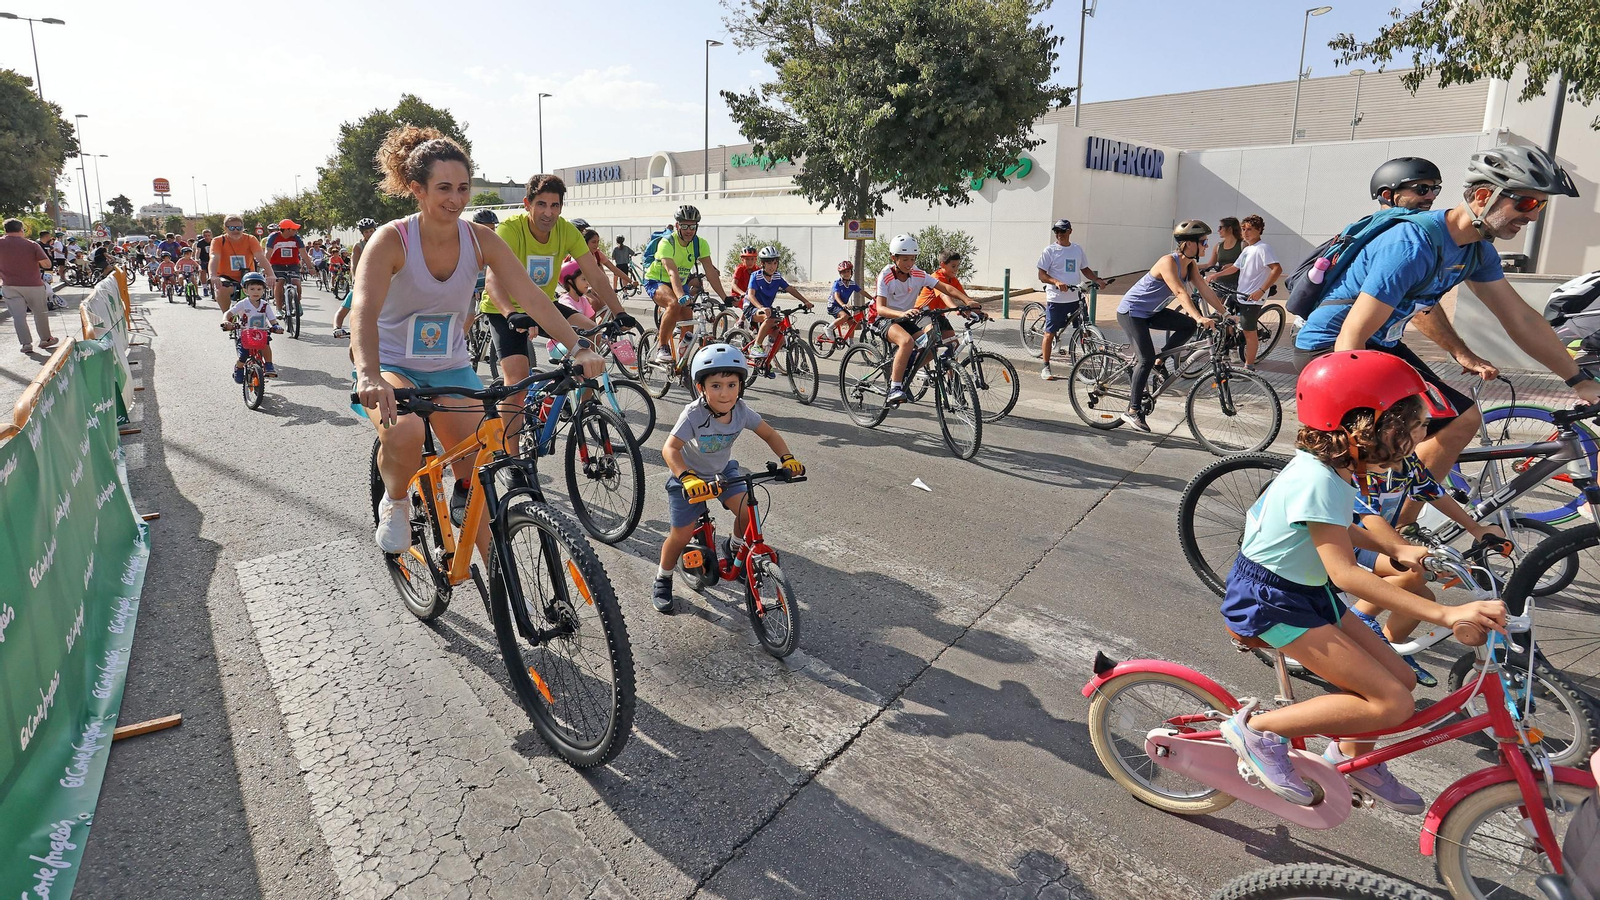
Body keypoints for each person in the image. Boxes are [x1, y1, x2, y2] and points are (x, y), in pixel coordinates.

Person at [1218, 350, 1505, 809]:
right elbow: (1345, 574)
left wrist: (1394, 547)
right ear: (1364, 426)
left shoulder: (1331, 470)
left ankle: (1350, 757)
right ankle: (1256, 732)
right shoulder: (1319, 479)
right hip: (1273, 601)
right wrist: (1445, 613)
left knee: (1400, 683)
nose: (1421, 435)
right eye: (1412, 426)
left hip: (1304, 592)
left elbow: (1327, 525)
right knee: (1392, 704)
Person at [352, 128, 605, 555]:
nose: (456, 198)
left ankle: (498, 582)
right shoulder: (393, 239)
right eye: (444, 188)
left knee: (481, 466)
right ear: (417, 189)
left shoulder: (479, 239)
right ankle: (395, 501)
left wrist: (578, 347)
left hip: (448, 365)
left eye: (464, 188)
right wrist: (368, 374)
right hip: (390, 364)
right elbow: (363, 308)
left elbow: (533, 298)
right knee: (408, 431)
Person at [1294, 146, 1600, 494]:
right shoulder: (1412, 243)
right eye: (1527, 203)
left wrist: (1577, 380)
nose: (1532, 217)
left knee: (1461, 421)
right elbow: (1352, 335)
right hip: (1331, 350)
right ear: (1485, 196)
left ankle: (1403, 527)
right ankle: (1359, 520)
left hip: (1381, 347)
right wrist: (1362, 420)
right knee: (1373, 455)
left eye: (1540, 206)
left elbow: (1521, 320)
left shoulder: (1476, 250)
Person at [479, 176, 639, 474]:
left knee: (589, 338)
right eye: (541, 204)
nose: (548, 212)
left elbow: (594, 273)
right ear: (527, 204)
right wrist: (511, 314)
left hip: (542, 305)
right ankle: (513, 462)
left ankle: (583, 407)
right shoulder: (510, 230)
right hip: (505, 311)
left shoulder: (565, 231)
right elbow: (493, 280)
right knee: (516, 379)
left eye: (555, 205)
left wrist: (619, 312)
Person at [653, 343, 805, 613]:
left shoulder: (742, 411)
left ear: (741, 386)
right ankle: (663, 578)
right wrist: (687, 477)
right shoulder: (693, 414)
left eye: (732, 385)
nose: (725, 393)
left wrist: (787, 458)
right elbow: (670, 449)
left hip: (723, 471)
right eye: (716, 386)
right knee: (681, 534)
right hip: (688, 476)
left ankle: (735, 548)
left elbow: (769, 434)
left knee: (749, 510)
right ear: (701, 387)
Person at [1114, 220, 1229, 432]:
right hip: (1132, 312)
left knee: (1187, 327)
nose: (1206, 246)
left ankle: (1160, 362)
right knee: (1144, 358)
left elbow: (1205, 290)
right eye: (1203, 242)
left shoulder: (1190, 265)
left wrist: (1226, 314)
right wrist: (1198, 316)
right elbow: (1179, 292)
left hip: (1152, 312)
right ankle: (1132, 410)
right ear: (1188, 244)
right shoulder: (1168, 262)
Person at [872, 233, 982, 404]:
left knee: (930, 346)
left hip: (907, 319)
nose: (910, 264)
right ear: (894, 258)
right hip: (886, 319)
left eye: (912, 259)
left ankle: (907, 370)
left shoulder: (917, 274)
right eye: (905, 260)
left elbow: (945, 288)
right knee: (907, 342)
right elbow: (881, 308)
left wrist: (968, 301)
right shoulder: (886, 275)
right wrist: (901, 313)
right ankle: (894, 387)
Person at [646, 205, 730, 363]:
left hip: (679, 283)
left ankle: (683, 364)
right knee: (673, 304)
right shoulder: (667, 242)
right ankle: (662, 347)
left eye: (692, 226)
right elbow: (672, 272)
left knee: (687, 320)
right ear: (677, 225)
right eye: (684, 225)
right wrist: (680, 296)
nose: (688, 230)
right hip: (657, 280)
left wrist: (725, 298)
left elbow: (710, 273)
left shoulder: (700, 244)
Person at [1036, 218, 1108, 380]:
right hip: (1057, 298)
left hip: (1076, 296)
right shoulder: (1050, 251)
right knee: (1050, 333)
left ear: (1070, 231)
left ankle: (1087, 359)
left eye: (1062, 231)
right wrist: (1056, 281)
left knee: (1085, 329)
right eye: (1056, 231)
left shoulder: (1077, 249)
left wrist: (1097, 280)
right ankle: (1046, 367)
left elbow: (1085, 269)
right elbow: (1041, 275)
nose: (1059, 234)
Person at [1206, 215, 1281, 370]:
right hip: (1240, 294)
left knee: (1249, 332)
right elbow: (1235, 267)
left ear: (1259, 230)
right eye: (1243, 229)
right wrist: (1215, 276)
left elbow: (1277, 269)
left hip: (1252, 299)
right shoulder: (1247, 249)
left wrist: (1261, 290)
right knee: (1225, 316)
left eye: (1250, 230)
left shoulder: (1263, 248)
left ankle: (1249, 367)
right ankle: (1231, 346)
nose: (1246, 233)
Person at [0, 217, 59, 354]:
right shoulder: (31, 244)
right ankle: (45, 339)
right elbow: (47, 264)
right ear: (21, 230)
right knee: (40, 313)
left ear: (5, 230)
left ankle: (26, 344)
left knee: (18, 316)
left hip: (9, 285)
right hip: (33, 284)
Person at [745, 246, 813, 360]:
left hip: (767, 309)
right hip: (752, 308)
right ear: (763, 264)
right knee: (770, 318)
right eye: (769, 263)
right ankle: (756, 346)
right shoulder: (755, 276)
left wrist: (805, 301)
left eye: (775, 263)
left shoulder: (777, 277)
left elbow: (790, 289)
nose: (772, 266)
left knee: (781, 338)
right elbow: (751, 295)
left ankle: (766, 362)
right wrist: (761, 308)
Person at [224, 271, 284, 380]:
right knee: (243, 356)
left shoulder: (265, 305)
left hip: (261, 332)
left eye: (259, 289)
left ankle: (269, 364)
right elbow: (229, 313)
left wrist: (276, 326)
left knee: (265, 346)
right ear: (245, 290)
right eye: (252, 289)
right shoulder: (243, 303)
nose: (256, 292)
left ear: (263, 291)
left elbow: (272, 319)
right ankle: (239, 367)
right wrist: (225, 321)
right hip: (245, 333)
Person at [209, 215, 274, 313]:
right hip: (226, 276)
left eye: (239, 228)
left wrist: (271, 274)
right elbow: (214, 257)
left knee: (259, 293)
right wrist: (213, 275)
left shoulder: (250, 239)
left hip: (247, 276)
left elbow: (260, 257)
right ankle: (228, 318)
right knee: (221, 289)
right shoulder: (218, 241)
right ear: (225, 228)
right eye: (232, 228)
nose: (236, 230)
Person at [335, 217, 380, 338]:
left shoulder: (382, 242)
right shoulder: (359, 245)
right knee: (351, 301)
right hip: (363, 280)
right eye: (366, 232)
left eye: (371, 231)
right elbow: (354, 264)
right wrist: (355, 278)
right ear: (362, 233)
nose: (369, 234)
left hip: (382, 280)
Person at [264, 219, 308, 315]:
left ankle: (298, 303)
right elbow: (268, 254)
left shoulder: (296, 238)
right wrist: (266, 269)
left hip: (293, 264)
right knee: (279, 283)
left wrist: (311, 267)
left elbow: (304, 254)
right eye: (294, 229)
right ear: (287, 230)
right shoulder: (273, 237)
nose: (296, 231)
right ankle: (279, 309)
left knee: (296, 282)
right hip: (277, 265)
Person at [1371, 157, 1444, 211]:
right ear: (1388, 195)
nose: (1432, 196)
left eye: (1434, 189)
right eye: (1422, 189)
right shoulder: (1399, 229)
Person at [1202, 217, 1243, 294]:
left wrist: (1235, 265)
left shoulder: (1243, 245)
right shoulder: (1218, 246)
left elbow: (1249, 265)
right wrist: (1193, 266)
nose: (1218, 230)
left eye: (1220, 228)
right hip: (1221, 286)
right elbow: (1210, 264)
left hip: (1238, 286)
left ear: (1230, 228)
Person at [826, 260, 864, 340]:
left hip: (842, 307)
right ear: (840, 273)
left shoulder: (852, 284)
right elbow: (836, 296)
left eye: (848, 271)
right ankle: (829, 328)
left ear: (851, 272)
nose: (846, 274)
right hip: (833, 305)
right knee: (845, 316)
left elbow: (862, 291)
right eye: (844, 272)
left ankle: (851, 343)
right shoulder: (837, 283)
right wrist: (843, 304)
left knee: (852, 322)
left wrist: (874, 299)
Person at [195, 228, 213, 296]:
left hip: (212, 260)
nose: (207, 237)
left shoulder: (214, 241)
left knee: (212, 274)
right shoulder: (200, 242)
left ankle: (212, 288)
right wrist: (197, 258)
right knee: (202, 272)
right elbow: (198, 251)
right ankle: (205, 288)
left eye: (209, 235)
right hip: (203, 259)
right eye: (205, 235)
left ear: (211, 235)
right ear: (203, 236)